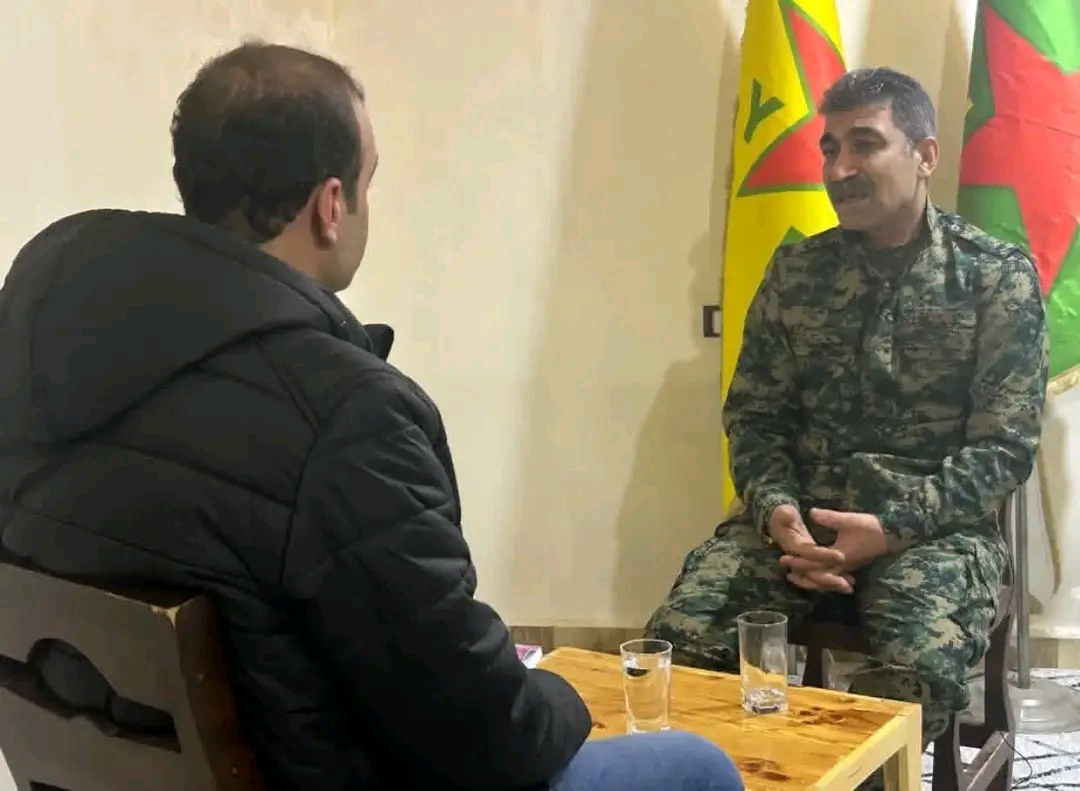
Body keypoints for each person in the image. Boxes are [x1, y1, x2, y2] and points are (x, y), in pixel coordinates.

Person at [0, 41, 743, 791]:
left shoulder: (37, 343)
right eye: (369, 180)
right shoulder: (344, 417)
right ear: (331, 206)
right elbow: (487, 737)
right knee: (698, 766)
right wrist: (566, 694)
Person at [645, 67, 1048, 787]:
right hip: (797, 529)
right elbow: (756, 416)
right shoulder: (797, 271)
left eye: (865, 144)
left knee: (912, 672)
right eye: (830, 149)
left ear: (925, 155)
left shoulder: (993, 277)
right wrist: (776, 511)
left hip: (933, 534)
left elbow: (1003, 447)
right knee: (681, 643)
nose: (838, 169)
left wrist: (889, 528)